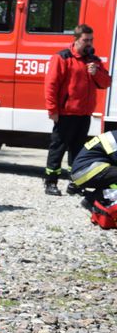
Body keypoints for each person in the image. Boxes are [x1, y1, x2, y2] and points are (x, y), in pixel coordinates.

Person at [43, 24, 111, 196]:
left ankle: (75, 183)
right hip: (66, 113)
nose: (89, 43)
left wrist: (96, 73)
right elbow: (51, 85)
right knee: (58, 147)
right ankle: (50, 182)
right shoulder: (62, 57)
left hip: (84, 114)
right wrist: (52, 109)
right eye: (85, 40)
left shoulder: (93, 60)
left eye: (91, 40)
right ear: (76, 39)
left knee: (78, 151)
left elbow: (106, 83)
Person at [71, 131, 117, 207]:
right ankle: (96, 198)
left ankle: (91, 200)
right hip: (87, 171)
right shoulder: (114, 140)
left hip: (84, 171)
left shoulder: (114, 135)